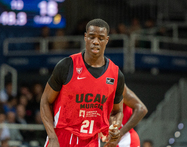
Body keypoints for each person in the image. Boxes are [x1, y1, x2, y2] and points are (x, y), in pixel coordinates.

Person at [40, 18, 125, 147]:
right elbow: (45, 101)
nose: (96, 42)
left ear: (107, 40)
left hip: (91, 141)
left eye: (101, 38)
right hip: (62, 137)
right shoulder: (67, 65)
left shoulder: (116, 74)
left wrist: (115, 125)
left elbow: (117, 111)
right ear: (85, 37)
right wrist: (52, 137)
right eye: (92, 37)